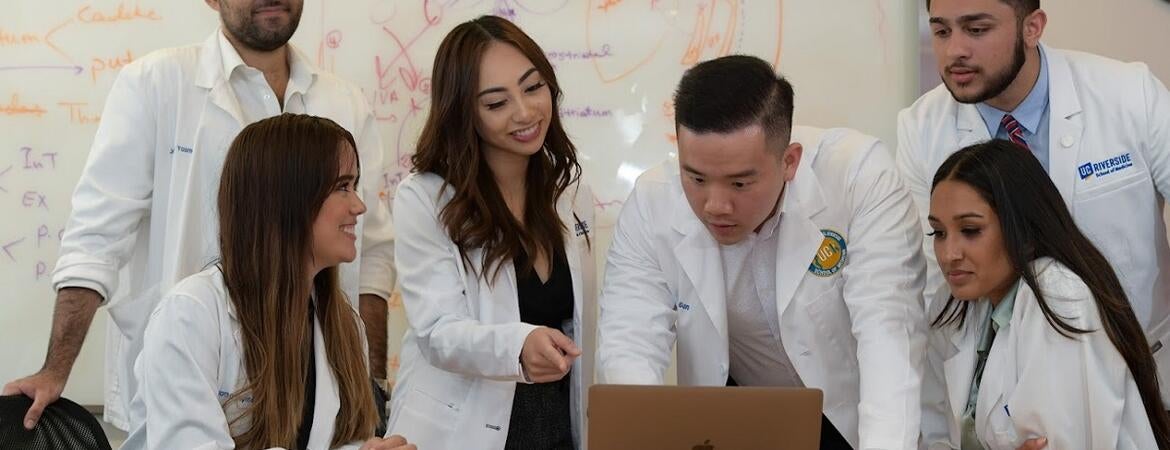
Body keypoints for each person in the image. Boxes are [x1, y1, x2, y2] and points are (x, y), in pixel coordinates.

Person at [2, 0, 396, 431]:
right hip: (194, 374)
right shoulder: (156, 83)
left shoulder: (345, 102)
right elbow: (96, 238)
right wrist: (55, 369)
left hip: (310, 388)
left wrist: (369, 385)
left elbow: (372, 257)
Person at [597, 54, 927, 449]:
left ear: (789, 161)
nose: (714, 205)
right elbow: (630, 348)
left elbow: (888, 333)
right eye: (696, 177)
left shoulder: (857, 177)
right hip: (744, 417)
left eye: (739, 184)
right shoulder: (653, 202)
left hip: (854, 412)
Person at [896, 0, 1170, 402]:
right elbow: (938, 287)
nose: (954, 50)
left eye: (976, 29)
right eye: (941, 31)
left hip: (1144, 374)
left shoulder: (1129, 93)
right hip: (1015, 395)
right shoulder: (921, 130)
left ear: (1032, 27)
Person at [120, 114, 412, 450]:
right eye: (342, 187)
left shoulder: (344, 325)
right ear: (287, 199)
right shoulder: (190, 315)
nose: (359, 206)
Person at [387, 15, 596, 450]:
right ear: (464, 112)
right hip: (459, 429)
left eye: (533, 87)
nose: (524, 112)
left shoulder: (569, 190)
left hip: (555, 426)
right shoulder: (425, 198)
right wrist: (520, 344)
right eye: (497, 103)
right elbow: (438, 332)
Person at [921, 139, 1170, 450]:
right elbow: (934, 438)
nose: (949, 254)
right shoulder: (955, 306)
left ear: (1023, 229)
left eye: (970, 230)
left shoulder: (1058, 296)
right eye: (938, 233)